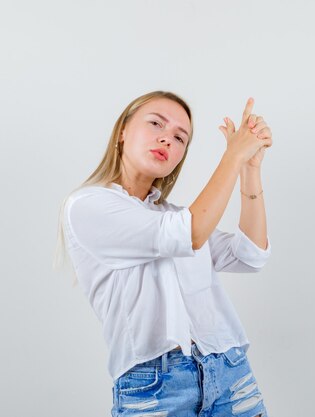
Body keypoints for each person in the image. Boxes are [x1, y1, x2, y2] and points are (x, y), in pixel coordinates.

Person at [55, 90, 274, 416]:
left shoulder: (171, 215)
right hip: (156, 387)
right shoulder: (88, 206)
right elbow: (190, 233)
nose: (167, 139)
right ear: (123, 132)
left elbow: (250, 255)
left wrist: (249, 167)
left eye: (179, 137)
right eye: (155, 123)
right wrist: (232, 157)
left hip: (230, 372)